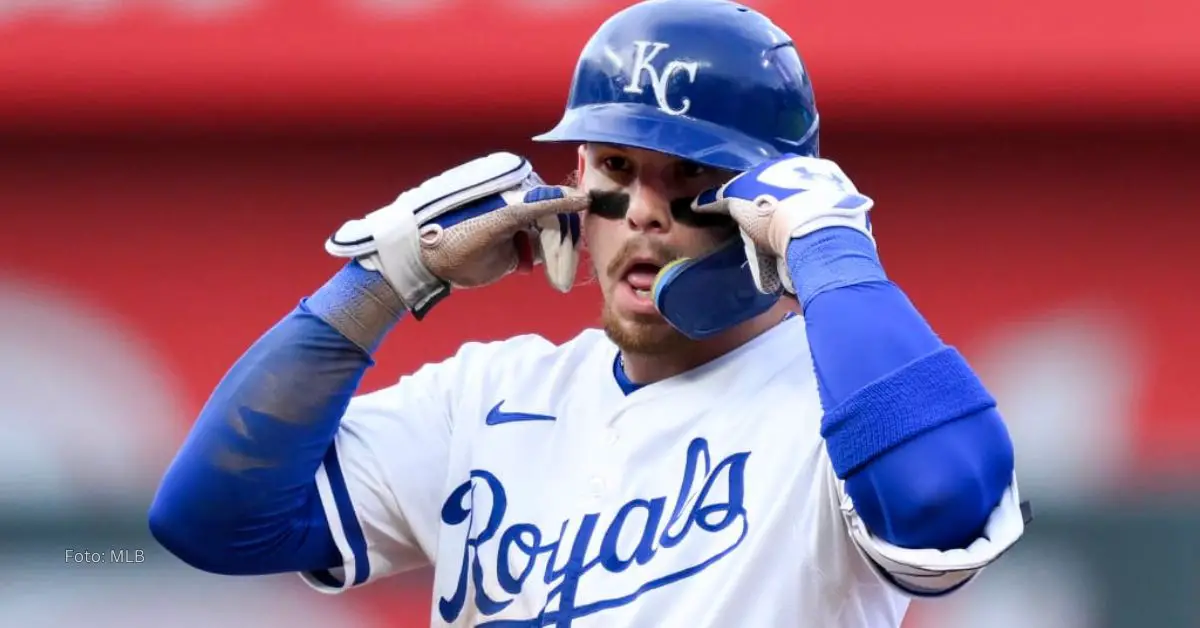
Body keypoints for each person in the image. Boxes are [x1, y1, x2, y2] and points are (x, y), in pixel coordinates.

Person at [148, 1, 1028, 626]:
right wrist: (383, 278)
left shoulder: (843, 401)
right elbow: (214, 519)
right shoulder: (484, 396)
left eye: (689, 179)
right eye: (614, 168)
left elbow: (941, 496)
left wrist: (831, 252)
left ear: (769, 203)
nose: (643, 212)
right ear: (572, 186)